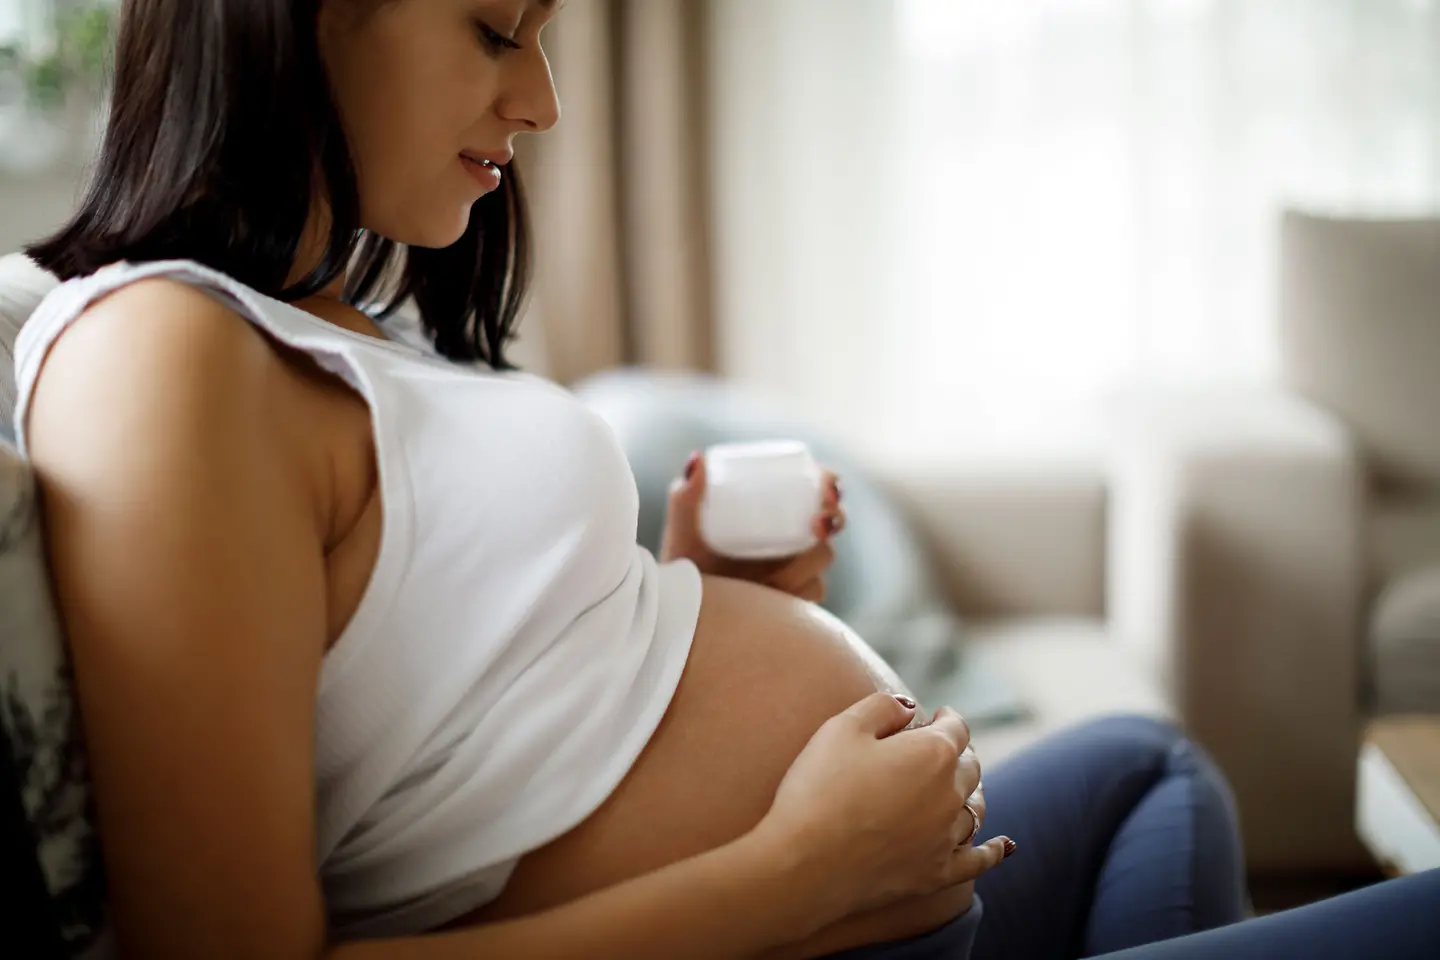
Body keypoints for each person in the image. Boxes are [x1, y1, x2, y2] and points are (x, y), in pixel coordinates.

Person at [10, 2, 1438, 958]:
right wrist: (793, 877)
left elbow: (464, 717)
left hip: (860, 909)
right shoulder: (160, 355)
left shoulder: (330, 328)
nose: (547, 99)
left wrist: (702, 602)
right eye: (499, 26)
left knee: (1147, 771)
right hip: (799, 926)